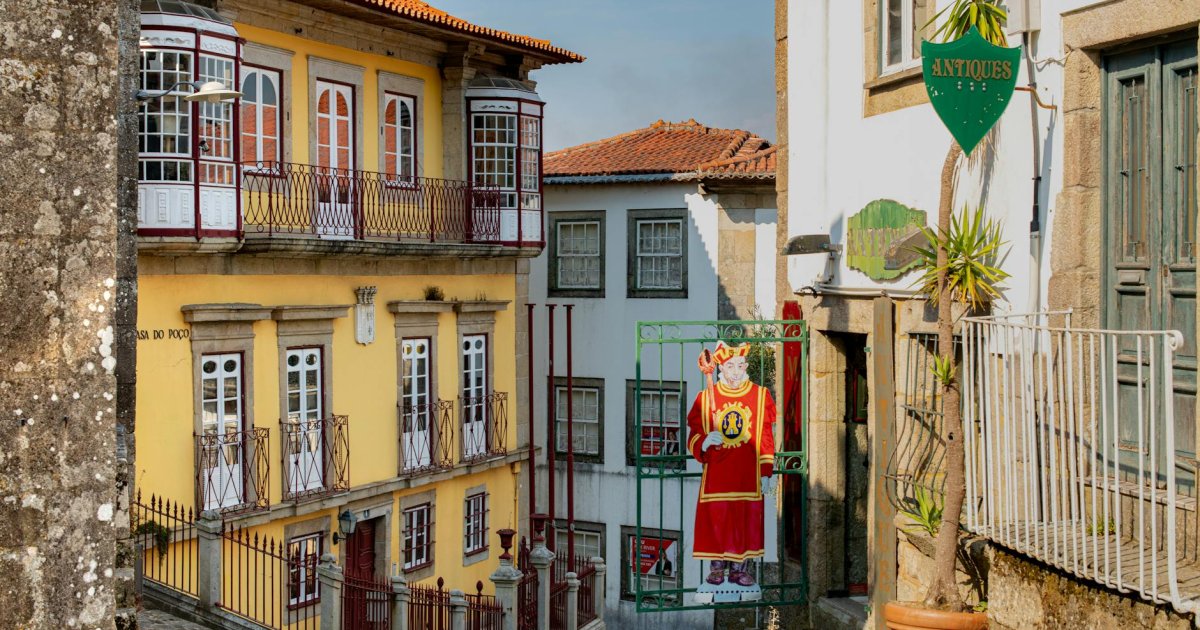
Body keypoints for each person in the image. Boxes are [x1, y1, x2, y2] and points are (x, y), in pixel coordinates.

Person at [687, 341, 776, 588]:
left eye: (739, 365)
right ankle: (716, 568)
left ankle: (738, 569)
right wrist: (704, 441)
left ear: (746, 366)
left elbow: (766, 436)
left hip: (747, 473)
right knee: (717, 520)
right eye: (729, 366)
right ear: (720, 369)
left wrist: (766, 470)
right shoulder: (705, 398)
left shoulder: (760, 396)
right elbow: (693, 434)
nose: (735, 371)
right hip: (717, 474)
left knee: (744, 521)